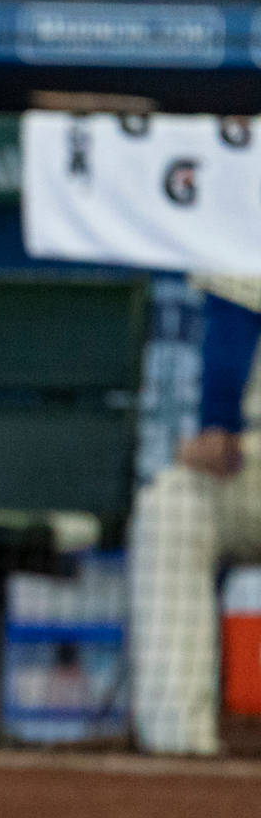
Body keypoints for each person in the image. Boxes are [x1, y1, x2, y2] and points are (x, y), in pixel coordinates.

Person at [130, 276, 261, 755]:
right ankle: (178, 747)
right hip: (250, 460)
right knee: (170, 509)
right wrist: (218, 423)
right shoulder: (247, 219)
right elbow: (235, 304)